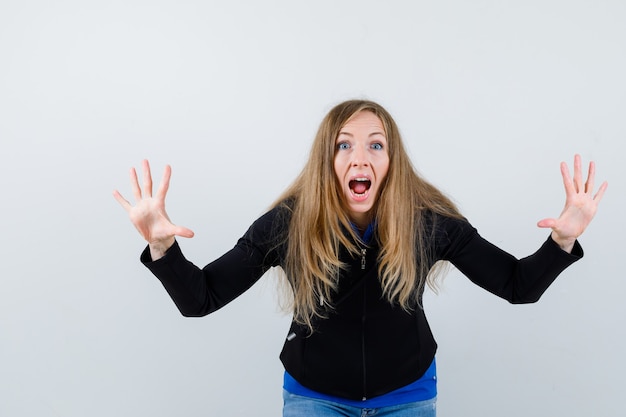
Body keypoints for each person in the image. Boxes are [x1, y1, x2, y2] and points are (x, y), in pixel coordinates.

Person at [113, 99, 607, 417]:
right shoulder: (288, 223)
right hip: (314, 396)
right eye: (344, 145)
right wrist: (163, 247)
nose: (360, 157)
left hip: (407, 395)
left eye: (376, 145)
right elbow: (202, 297)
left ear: (391, 161)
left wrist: (561, 242)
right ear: (327, 161)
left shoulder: (427, 221)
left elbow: (518, 286)